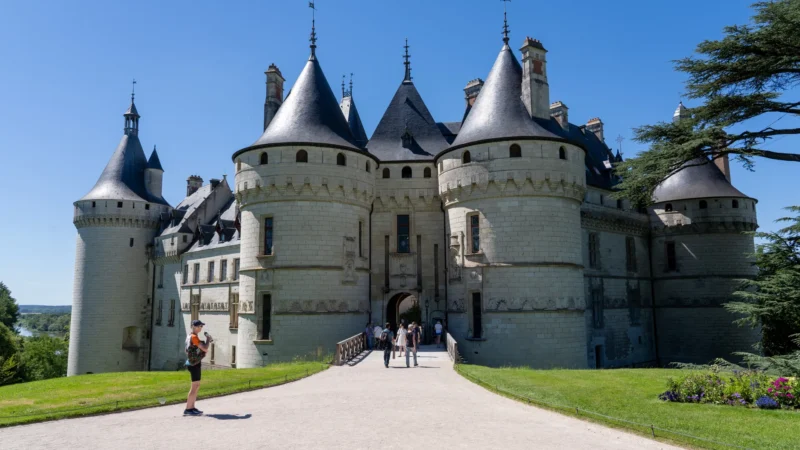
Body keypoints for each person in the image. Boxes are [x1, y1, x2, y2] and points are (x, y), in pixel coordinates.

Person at [184, 319, 212, 416]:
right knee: (194, 386)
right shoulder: (194, 337)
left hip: (193, 363)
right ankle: (188, 409)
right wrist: (208, 339)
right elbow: (204, 348)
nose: (201, 328)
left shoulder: (189, 336)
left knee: (196, 386)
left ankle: (192, 407)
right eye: (200, 326)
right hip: (194, 364)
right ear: (195, 327)